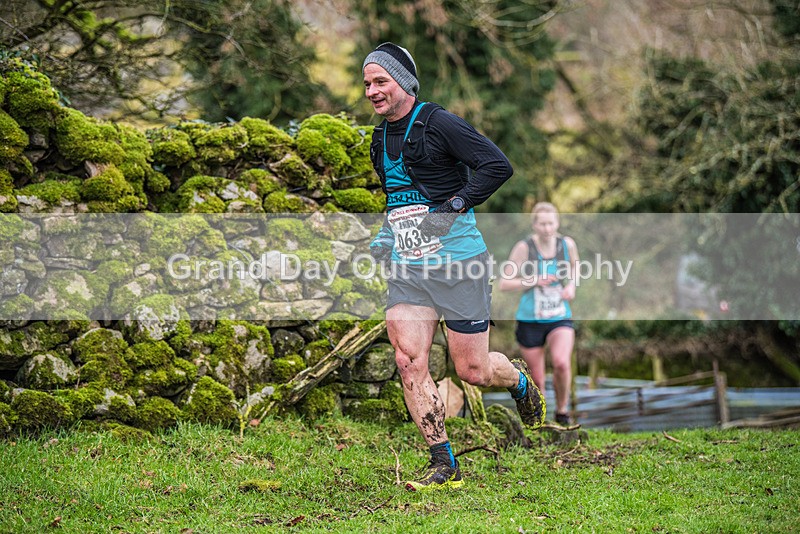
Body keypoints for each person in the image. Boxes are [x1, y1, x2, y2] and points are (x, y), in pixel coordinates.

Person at [363, 42, 546, 492]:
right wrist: (385, 239)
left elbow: (496, 166)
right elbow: (397, 202)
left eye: (380, 81)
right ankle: (444, 465)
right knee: (409, 361)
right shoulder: (377, 139)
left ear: (403, 82)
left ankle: (519, 380)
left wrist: (450, 209)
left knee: (473, 372)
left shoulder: (438, 123)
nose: (371, 91)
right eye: (366, 83)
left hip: (459, 264)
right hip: (409, 271)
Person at [498, 202, 578, 426]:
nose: (546, 228)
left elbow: (575, 267)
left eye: (550, 223)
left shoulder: (566, 244)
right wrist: (534, 280)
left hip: (559, 316)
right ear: (534, 225)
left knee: (562, 363)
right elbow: (504, 283)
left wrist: (571, 286)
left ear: (557, 223)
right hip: (530, 319)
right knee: (538, 380)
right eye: (542, 224)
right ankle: (540, 423)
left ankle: (562, 412)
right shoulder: (525, 248)